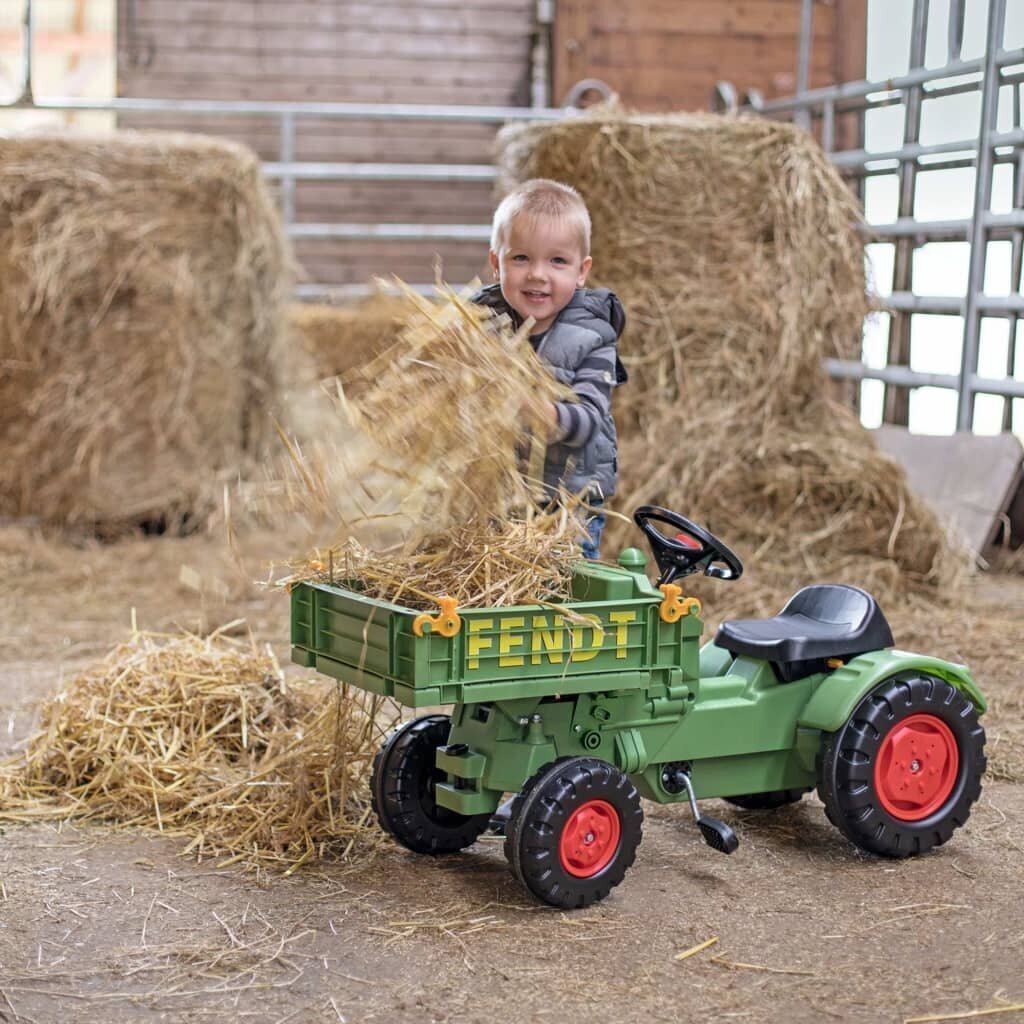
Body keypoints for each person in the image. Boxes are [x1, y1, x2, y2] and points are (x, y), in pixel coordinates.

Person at [472, 178, 627, 559]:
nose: (538, 274)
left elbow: (588, 420)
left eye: (557, 261)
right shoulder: (480, 324)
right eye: (521, 258)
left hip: (568, 509)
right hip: (499, 502)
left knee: (560, 600)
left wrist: (539, 411)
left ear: (581, 271)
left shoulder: (592, 337)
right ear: (496, 263)